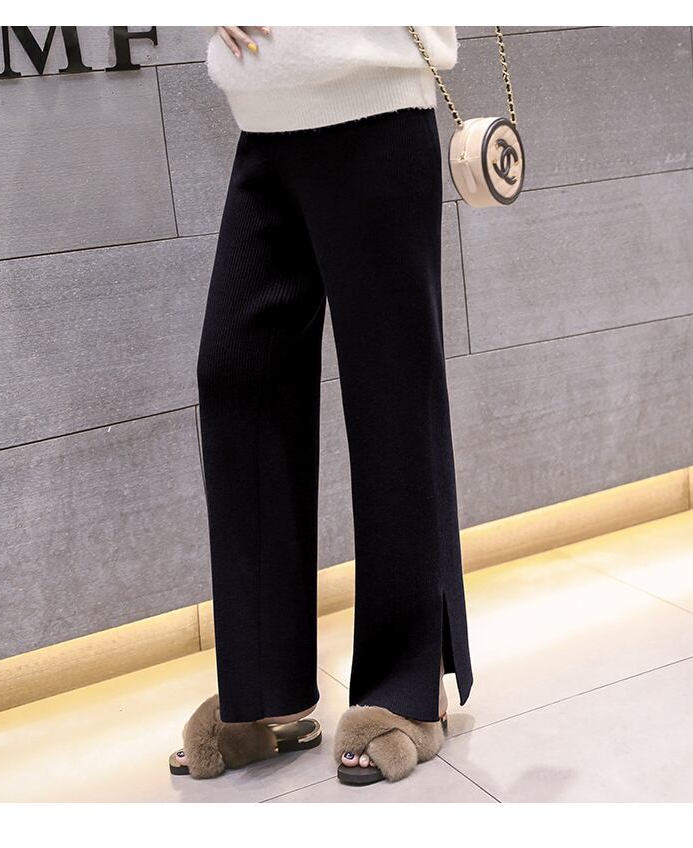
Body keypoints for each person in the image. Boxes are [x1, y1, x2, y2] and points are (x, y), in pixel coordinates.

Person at [168, 25, 473, 787]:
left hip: (373, 107)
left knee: (390, 392)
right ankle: (264, 689)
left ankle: (407, 687)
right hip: (263, 123)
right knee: (237, 375)